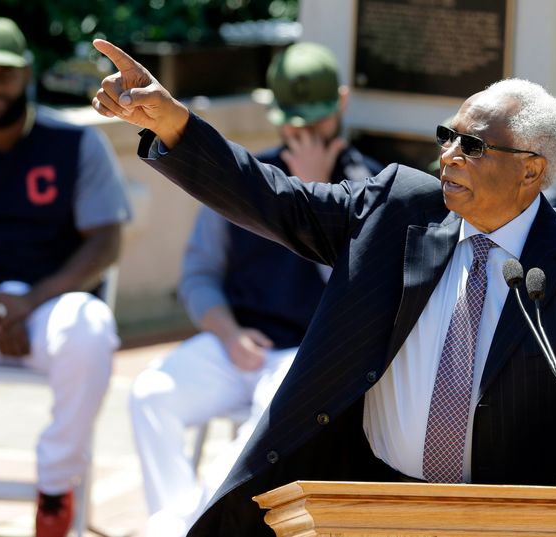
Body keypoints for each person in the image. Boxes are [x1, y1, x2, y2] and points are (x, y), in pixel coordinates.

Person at [91, 39, 556, 536]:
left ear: (531, 168)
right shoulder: (396, 210)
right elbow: (272, 198)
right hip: (365, 498)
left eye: (472, 146)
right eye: (448, 136)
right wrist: (171, 122)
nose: (448, 156)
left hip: (511, 517)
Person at [127, 41, 383, 537]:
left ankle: (189, 528)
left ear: (342, 104)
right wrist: (226, 332)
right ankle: (178, 522)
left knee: (252, 437)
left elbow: (361, 297)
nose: (303, 132)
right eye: (293, 119)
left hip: (307, 360)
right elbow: (199, 274)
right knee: (149, 394)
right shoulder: (239, 175)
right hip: (237, 343)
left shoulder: (371, 186)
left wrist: (315, 199)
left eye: (316, 119)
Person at [0, 19, 131, 537]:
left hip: (51, 305)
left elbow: (106, 241)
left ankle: (57, 491)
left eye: (3, 75)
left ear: (28, 75)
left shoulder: (72, 143)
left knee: (90, 328)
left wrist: (30, 300)